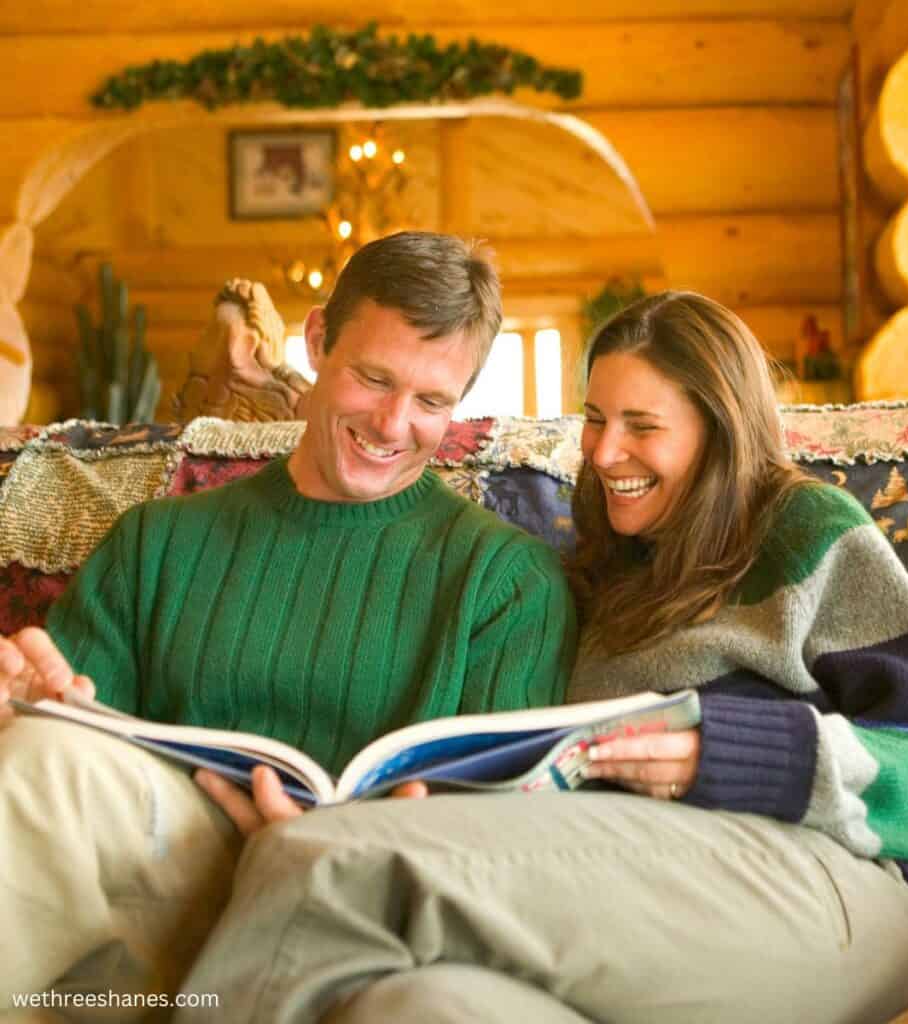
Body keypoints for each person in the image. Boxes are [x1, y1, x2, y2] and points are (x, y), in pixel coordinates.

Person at [176, 291, 908, 1024]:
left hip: (820, 893)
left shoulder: (806, 529)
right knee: (416, 1005)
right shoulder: (595, 571)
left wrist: (733, 754)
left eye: (643, 426)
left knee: (319, 863)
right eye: (596, 419)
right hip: (637, 895)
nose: (602, 455)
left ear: (719, 426)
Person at [0, 231, 577, 1013]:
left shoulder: (506, 584)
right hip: (167, 883)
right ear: (315, 342)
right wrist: (20, 700)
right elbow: (65, 752)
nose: (393, 423)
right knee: (46, 753)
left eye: (433, 401)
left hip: (366, 913)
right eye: (374, 378)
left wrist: (332, 847)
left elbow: (506, 848)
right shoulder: (161, 541)